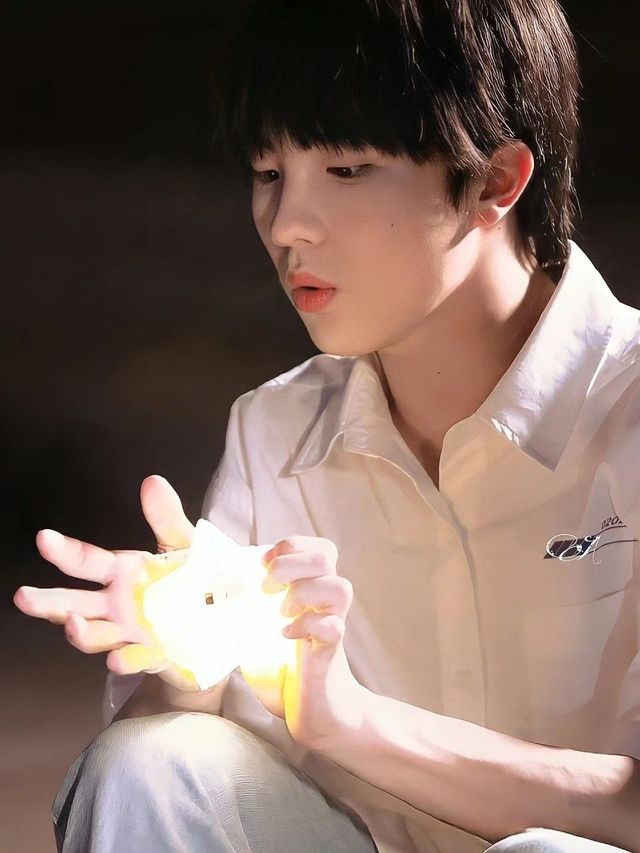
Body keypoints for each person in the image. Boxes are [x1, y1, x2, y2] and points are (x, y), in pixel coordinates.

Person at [13, 0, 640, 851]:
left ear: (497, 181)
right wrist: (183, 649)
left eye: (347, 167)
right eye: (268, 172)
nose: (286, 226)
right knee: (147, 760)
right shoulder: (276, 429)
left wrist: (352, 721)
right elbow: (171, 794)